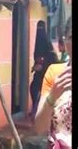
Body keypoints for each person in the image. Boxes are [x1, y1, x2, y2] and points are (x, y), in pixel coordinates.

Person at [35, 16, 72, 148]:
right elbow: (40, 128)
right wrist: (53, 96)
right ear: (65, 41)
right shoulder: (54, 73)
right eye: (71, 37)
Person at [29, 20, 58, 119]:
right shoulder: (38, 43)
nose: (39, 31)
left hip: (47, 74)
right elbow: (37, 57)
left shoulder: (48, 45)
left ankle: (39, 113)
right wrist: (35, 67)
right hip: (39, 74)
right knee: (33, 88)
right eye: (38, 29)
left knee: (43, 93)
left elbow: (53, 59)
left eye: (41, 29)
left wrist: (43, 66)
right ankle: (35, 110)